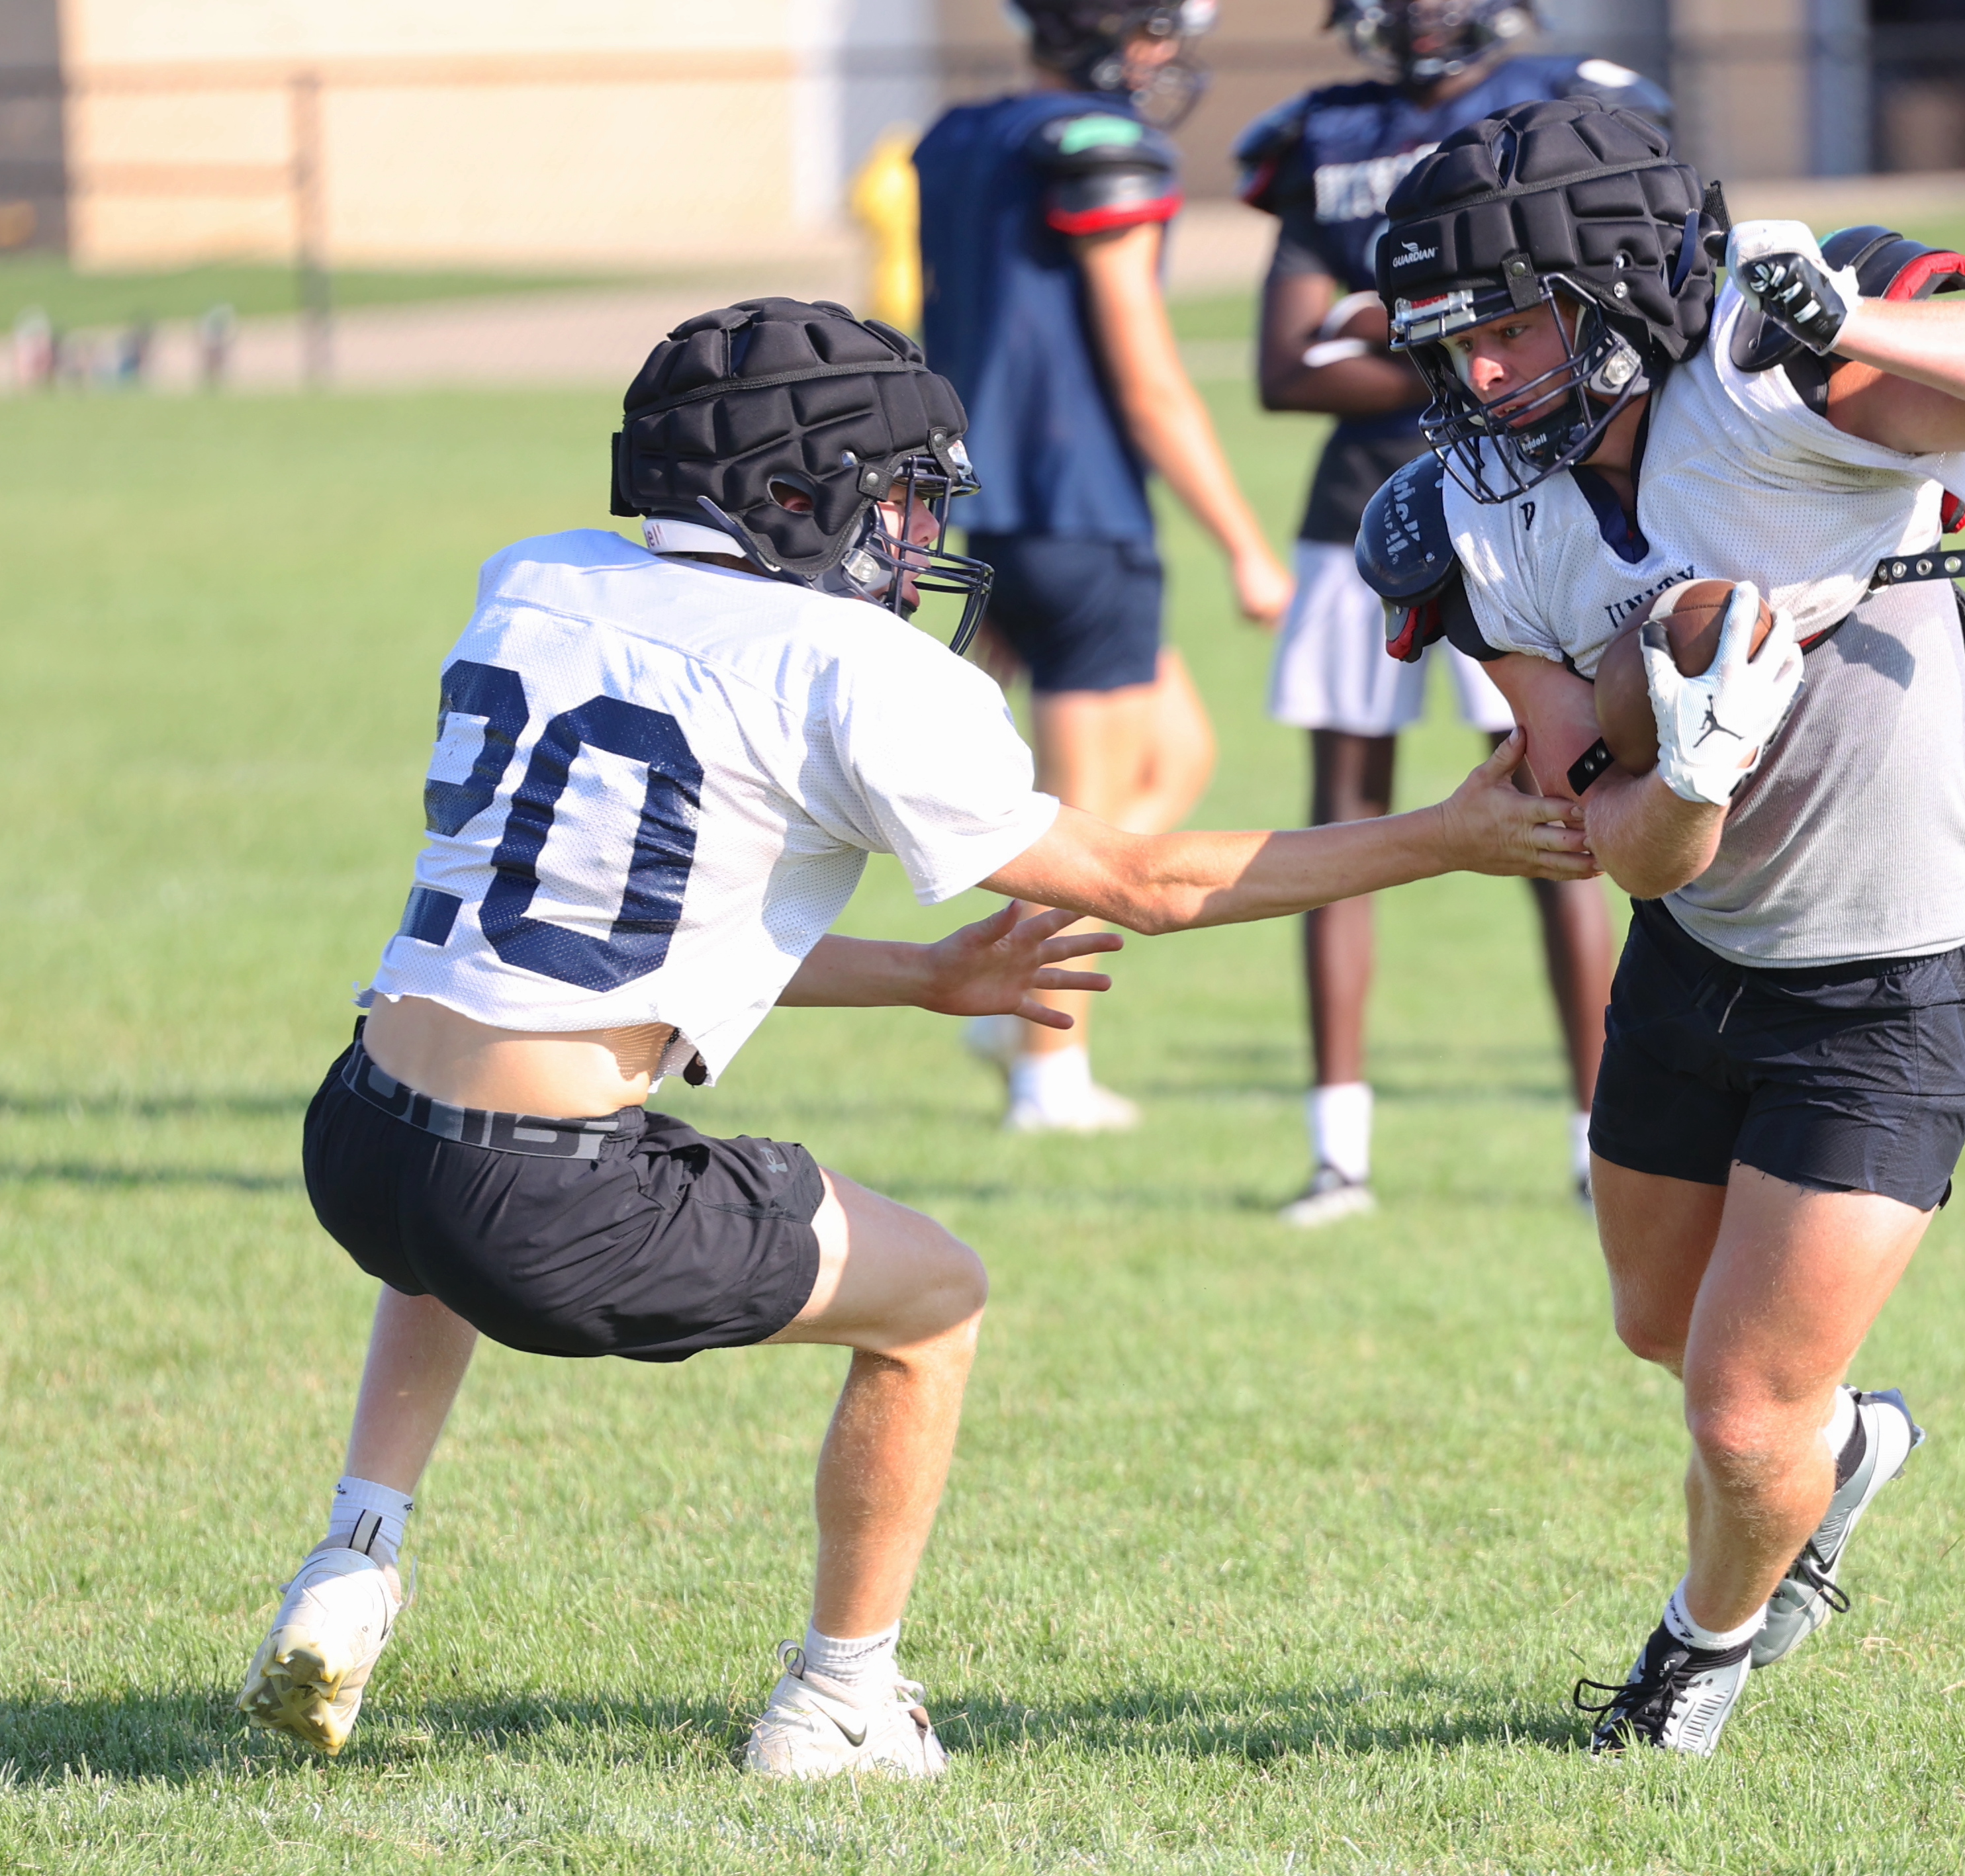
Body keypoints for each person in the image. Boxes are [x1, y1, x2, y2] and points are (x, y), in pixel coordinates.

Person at [236, 296, 1589, 1779]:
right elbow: (1146, 882)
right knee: (935, 1298)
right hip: (547, 1197)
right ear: (793, 496)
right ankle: (841, 1698)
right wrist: (1450, 833)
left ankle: (356, 1550)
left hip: (360, 1132)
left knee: (445, 1216)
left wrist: (930, 977)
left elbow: (620, 945)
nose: (911, 530)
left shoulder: (538, 581)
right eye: (895, 496)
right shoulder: (852, 668)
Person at [1355, 99, 1965, 1753]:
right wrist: (1697, 760)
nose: (1481, 377)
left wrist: (1857, 321)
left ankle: (1691, 1661)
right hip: (1699, 951)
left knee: (1735, 1410)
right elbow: (1625, 851)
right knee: (1660, 1324)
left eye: (1511, 327)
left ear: (1623, 295)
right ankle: (1845, 1453)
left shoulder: (1775, 378)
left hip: (1899, 975)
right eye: (1454, 341)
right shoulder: (1475, 520)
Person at [1236, 1, 1667, 1224]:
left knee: (1562, 810)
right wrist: (1479, 368)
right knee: (1345, 822)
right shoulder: (1321, 133)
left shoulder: (1567, 101)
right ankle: (1338, 1151)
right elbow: (1281, 369)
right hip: (1360, 518)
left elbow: (1621, 314)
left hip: (1532, 511)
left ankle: (1602, 1134)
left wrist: (1388, 331)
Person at [914, 0, 1299, 1134]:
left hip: (1007, 508)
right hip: (1079, 511)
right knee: (1080, 823)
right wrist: (1244, 545)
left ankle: (1013, 1012)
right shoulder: (1099, 149)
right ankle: (1045, 1066)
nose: (1161, 56)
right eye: (1147, 29)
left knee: (1181, 750)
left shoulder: (962, 135)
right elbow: (1145, 373)